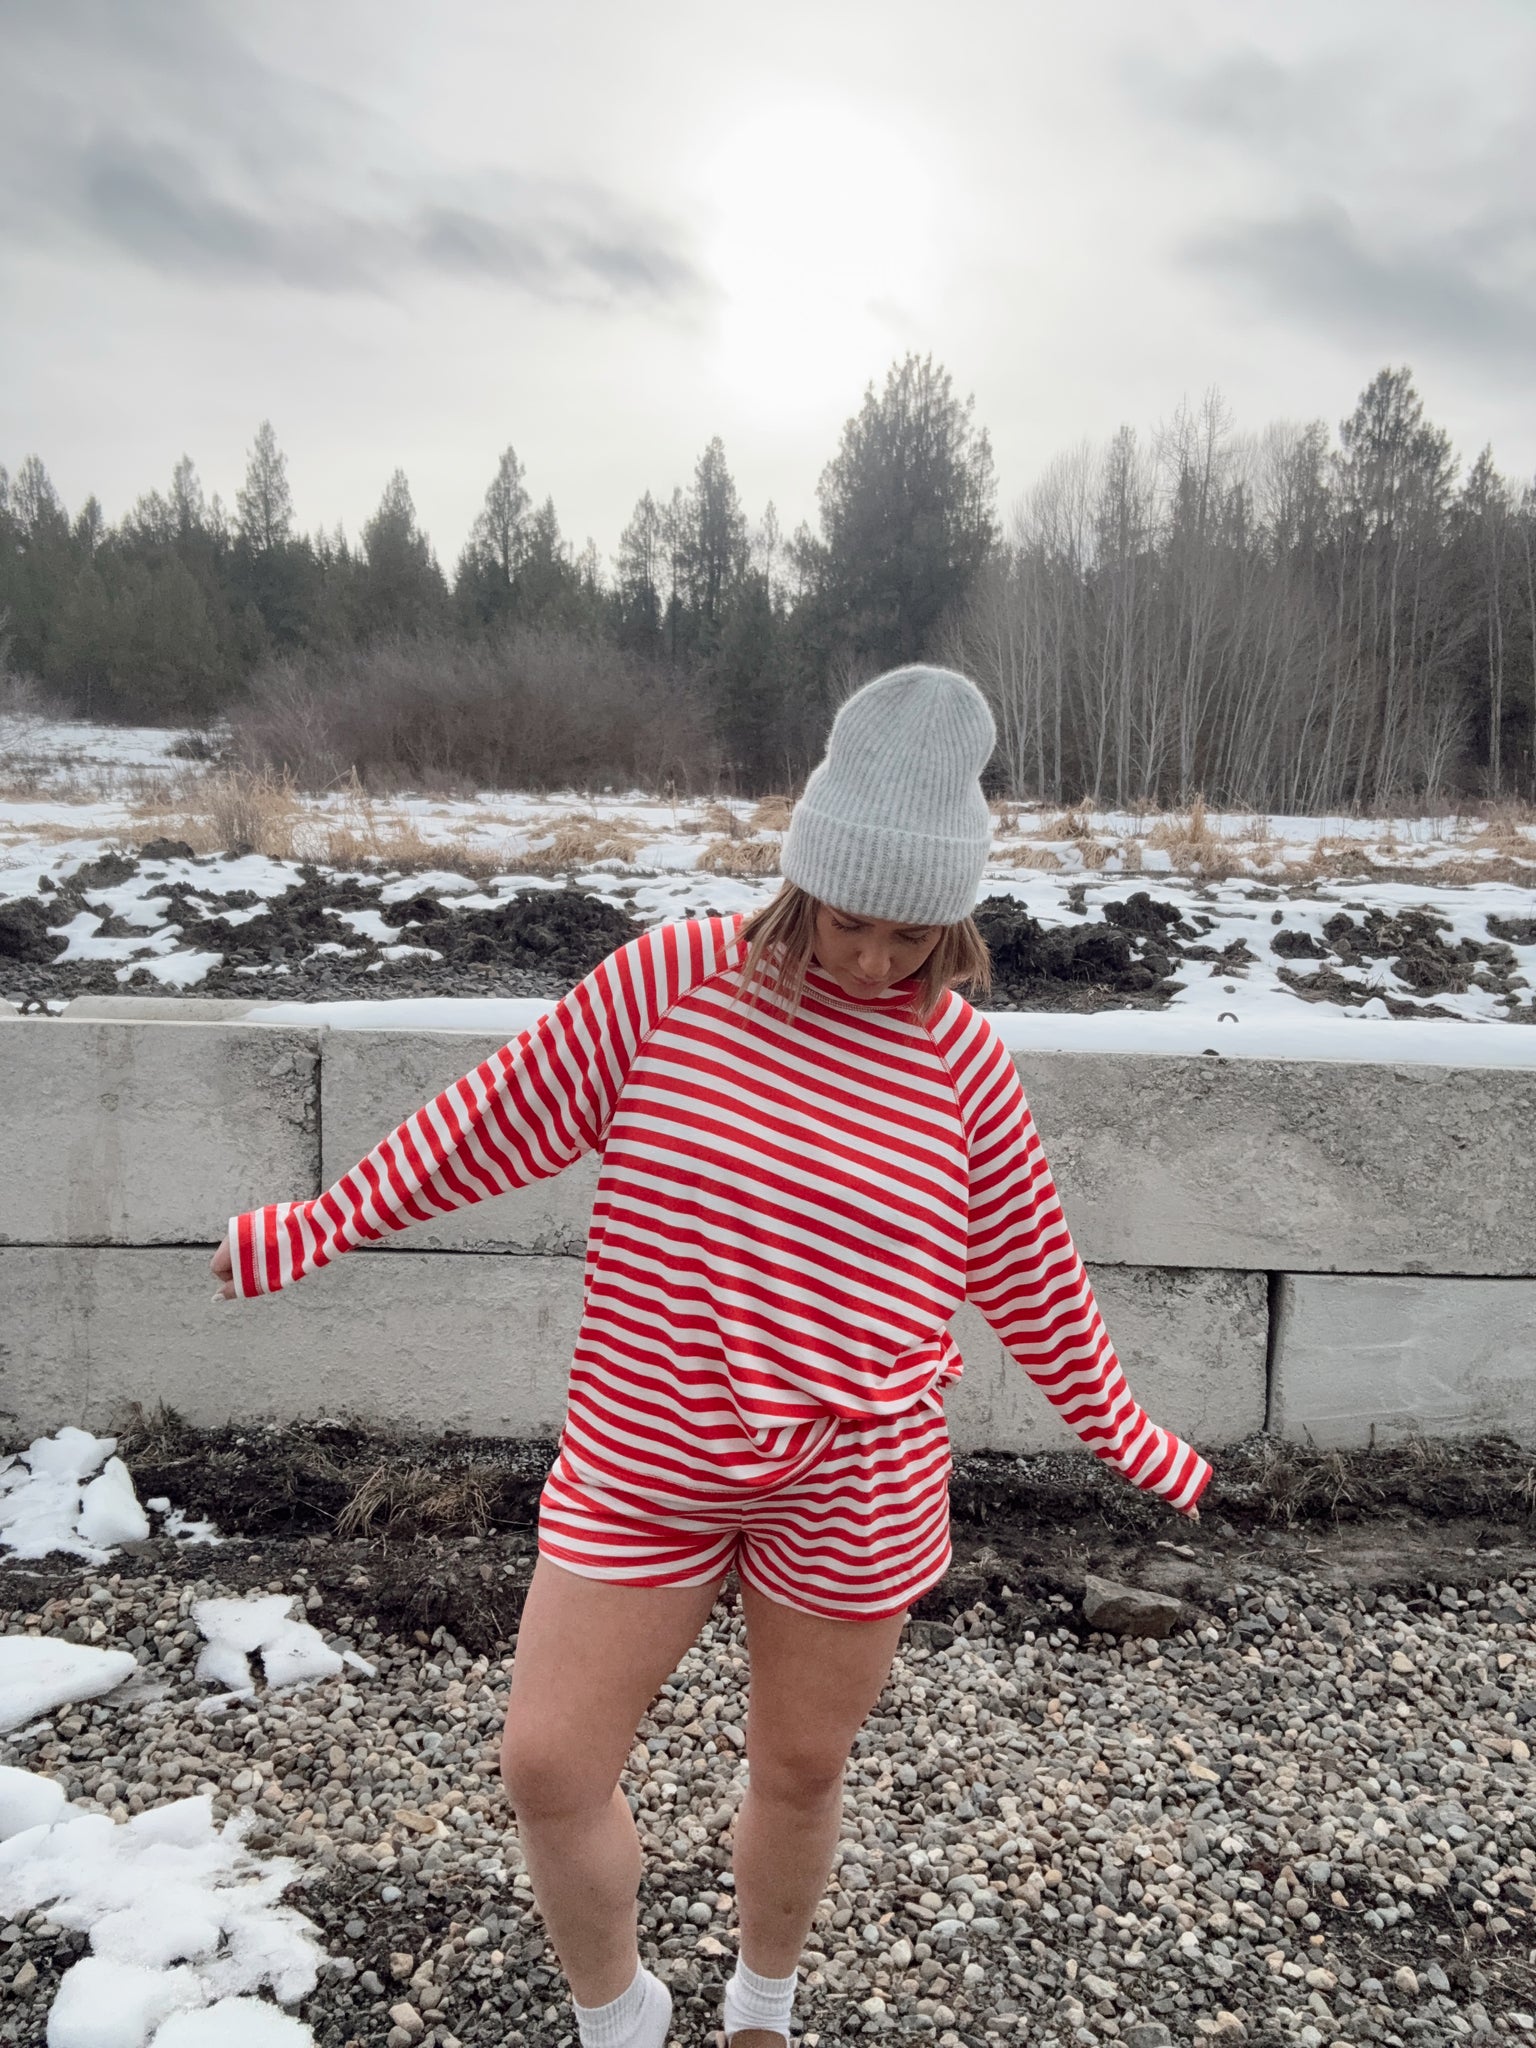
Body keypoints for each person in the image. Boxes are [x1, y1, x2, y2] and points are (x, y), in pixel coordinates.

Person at [212, 664, 1210, 2048]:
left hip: (856, 1486)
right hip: (645, 1463)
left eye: (912, 935)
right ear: (802, 881)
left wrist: (1130, 1434)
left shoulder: (964, 1070)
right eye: (849, 921)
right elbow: (492, 1118)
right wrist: (324, 1222)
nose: (875, 961)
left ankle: (762, 2008)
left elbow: (1031, 1274)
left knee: (799, 1770)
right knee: (548, 1766)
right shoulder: (673, 986)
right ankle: (618, 2015)